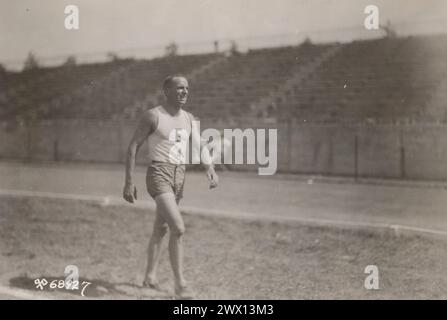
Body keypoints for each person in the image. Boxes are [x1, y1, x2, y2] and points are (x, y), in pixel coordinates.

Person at [123, 75, 218, 299]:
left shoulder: (189, 118)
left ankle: (150, 276)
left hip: (179, 175)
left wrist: (210, 168)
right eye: (179, 88)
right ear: (167, 91)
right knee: (178, 227)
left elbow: (200, 144)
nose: (184, 92)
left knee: (162, 228)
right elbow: (133, 147)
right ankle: (181, 285)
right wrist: (128, 181)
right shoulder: (153, 116)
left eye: (187, 88)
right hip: (158, 174)